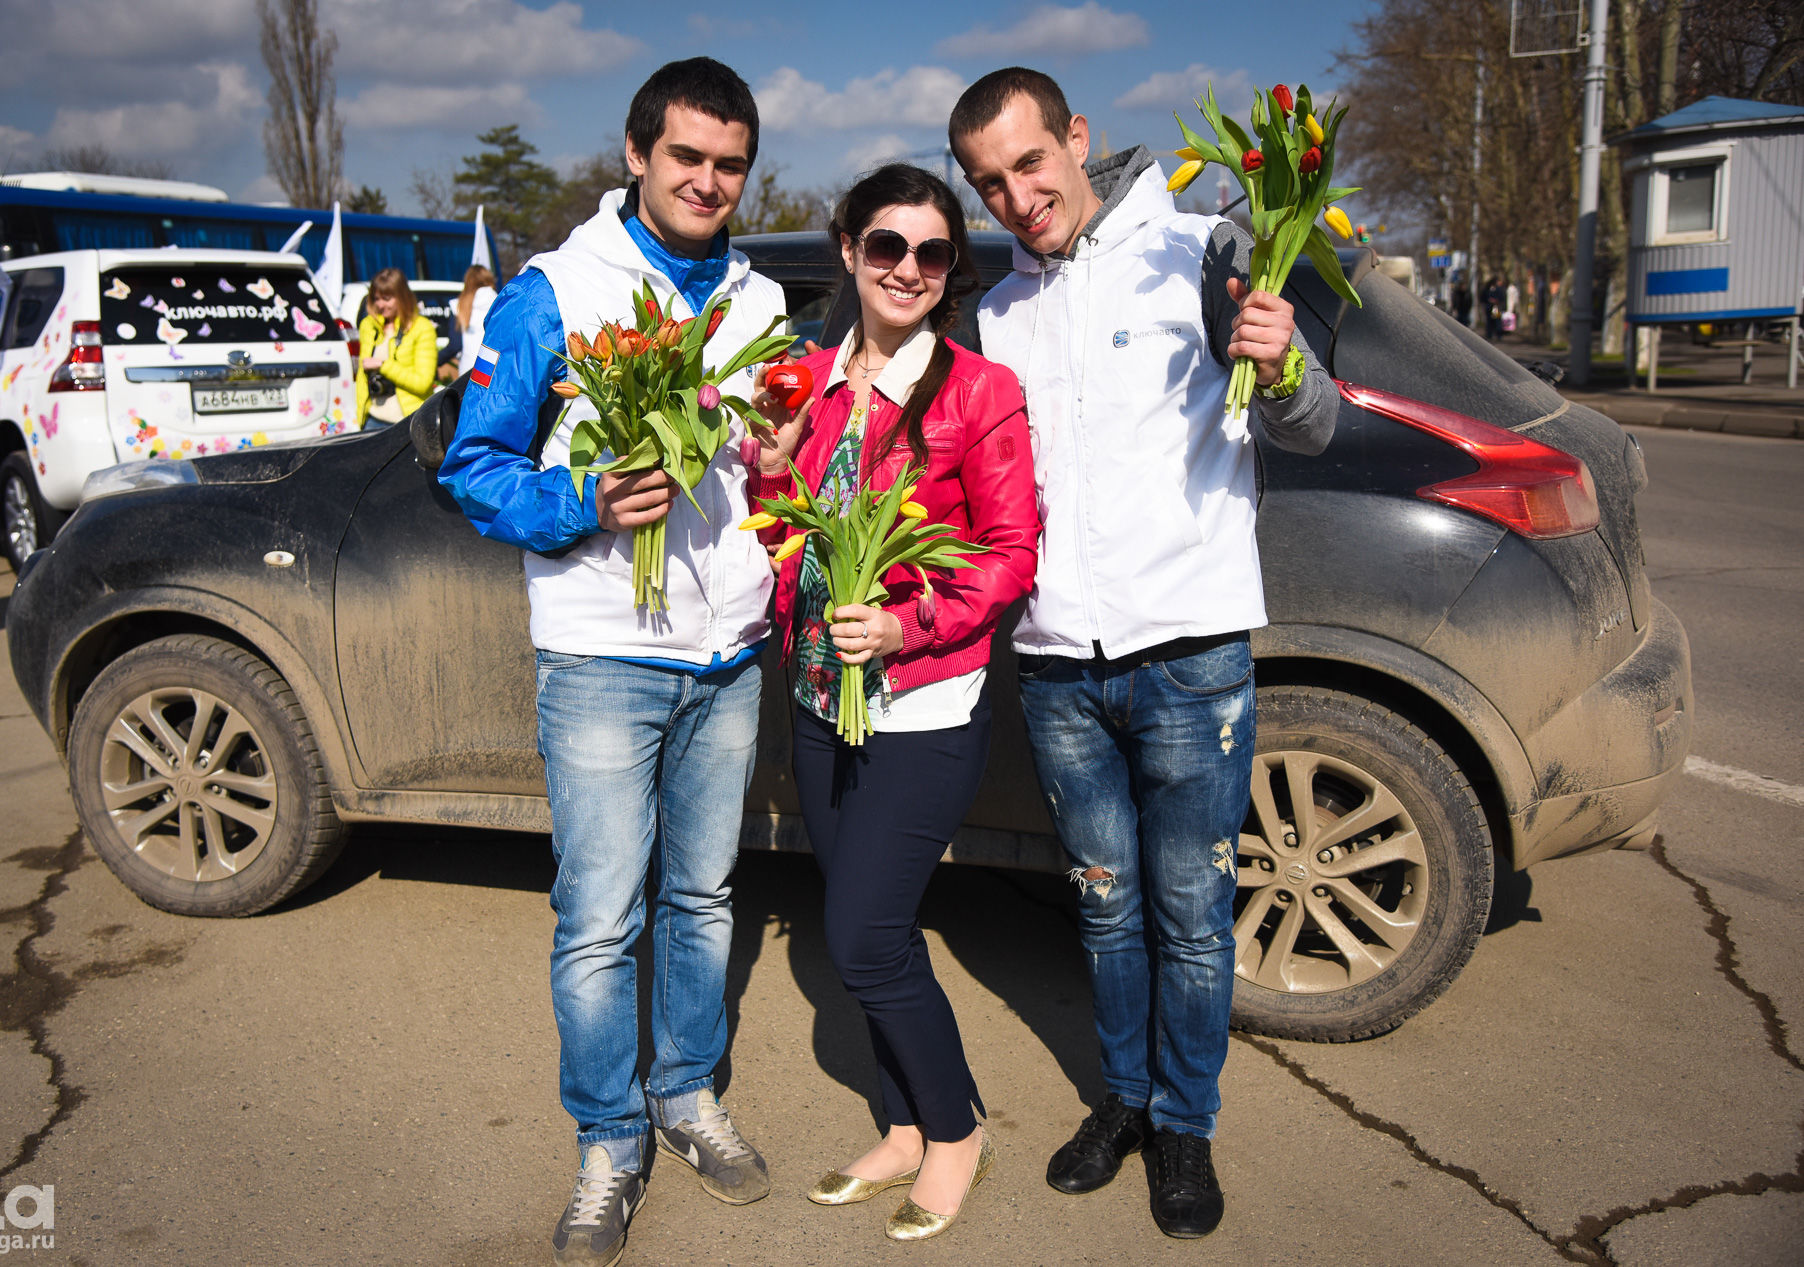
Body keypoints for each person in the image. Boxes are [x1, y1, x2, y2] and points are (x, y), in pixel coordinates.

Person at [947, 67, 1338, 1242]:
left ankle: (1185, 1125)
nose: (1017, 196)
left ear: (1077, 138)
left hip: (1187, 657)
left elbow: (1312, 425)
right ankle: (1122, 1100)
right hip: (1058, 666)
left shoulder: (1199, 251)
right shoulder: (998, 311)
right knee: (1106, 910)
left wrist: (1284, 364)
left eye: (1029, 162)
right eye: (988, 183)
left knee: (1193, 915)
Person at [437, 57, 781, 1267]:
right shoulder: (554, 291)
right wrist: (585, 498)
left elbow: (765, 468)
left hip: (726, 655)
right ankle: (607, 1141)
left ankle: (683, 1094)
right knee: (597, 918)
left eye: (729, 165)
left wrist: (784, 469)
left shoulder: (756, 301)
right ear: (636, 154)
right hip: (600, 654)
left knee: (703, 900)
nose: (706, 181)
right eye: (685, 156)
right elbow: (472, 469)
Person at [748, 163, 1039, 1244]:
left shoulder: (978, 390)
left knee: (863, 936)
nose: (907, 268)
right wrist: (771, 469)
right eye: (886, 245)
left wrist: (907, 626)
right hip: (820, 698)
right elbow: (786, 530)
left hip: (922, 707)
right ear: (849, 250)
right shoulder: (811, 384)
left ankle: (957, 1131)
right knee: (875, 929)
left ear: (950, 268)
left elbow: (1011, 553)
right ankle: (906, 1125)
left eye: (931, 252)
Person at [355, 268, 438, 426]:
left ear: (402, 297)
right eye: (376, 299)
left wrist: (383, 366)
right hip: (372, 418)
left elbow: (423, 383)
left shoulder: (421, 328)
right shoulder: (369, 325)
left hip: (407, 420)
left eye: (386, 299)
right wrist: (360, 416)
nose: (380, 305)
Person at [454, 263, 499, 377]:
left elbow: (455, 344)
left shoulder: (459, 306)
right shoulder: (500, 302)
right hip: (492, 368)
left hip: (467, 369)